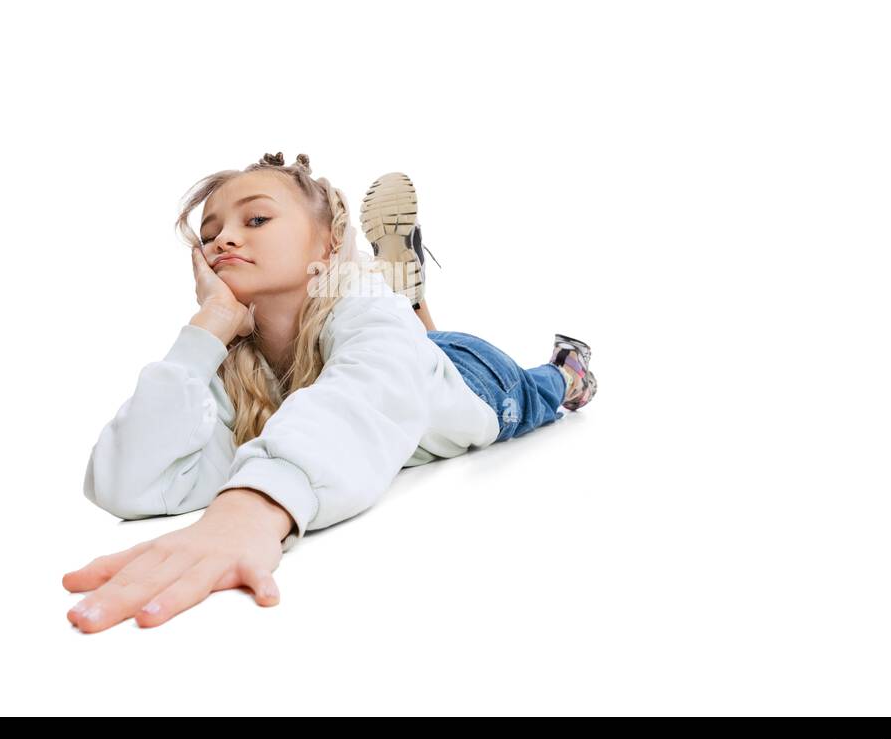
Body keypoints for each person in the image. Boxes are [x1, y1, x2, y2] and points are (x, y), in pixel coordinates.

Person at [63, 151, 597, 632]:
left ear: (329, 242)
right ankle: (404, 299)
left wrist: (253, 506)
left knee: (534, 393)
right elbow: (128, 485)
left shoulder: (362, 318)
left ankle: (569, 372)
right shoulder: (232, 369)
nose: (223, 239)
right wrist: (207, 328)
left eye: (256, 219)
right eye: (209, 233)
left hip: (474, 379)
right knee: (404, 342)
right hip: (406, 355)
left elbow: (361, 395)